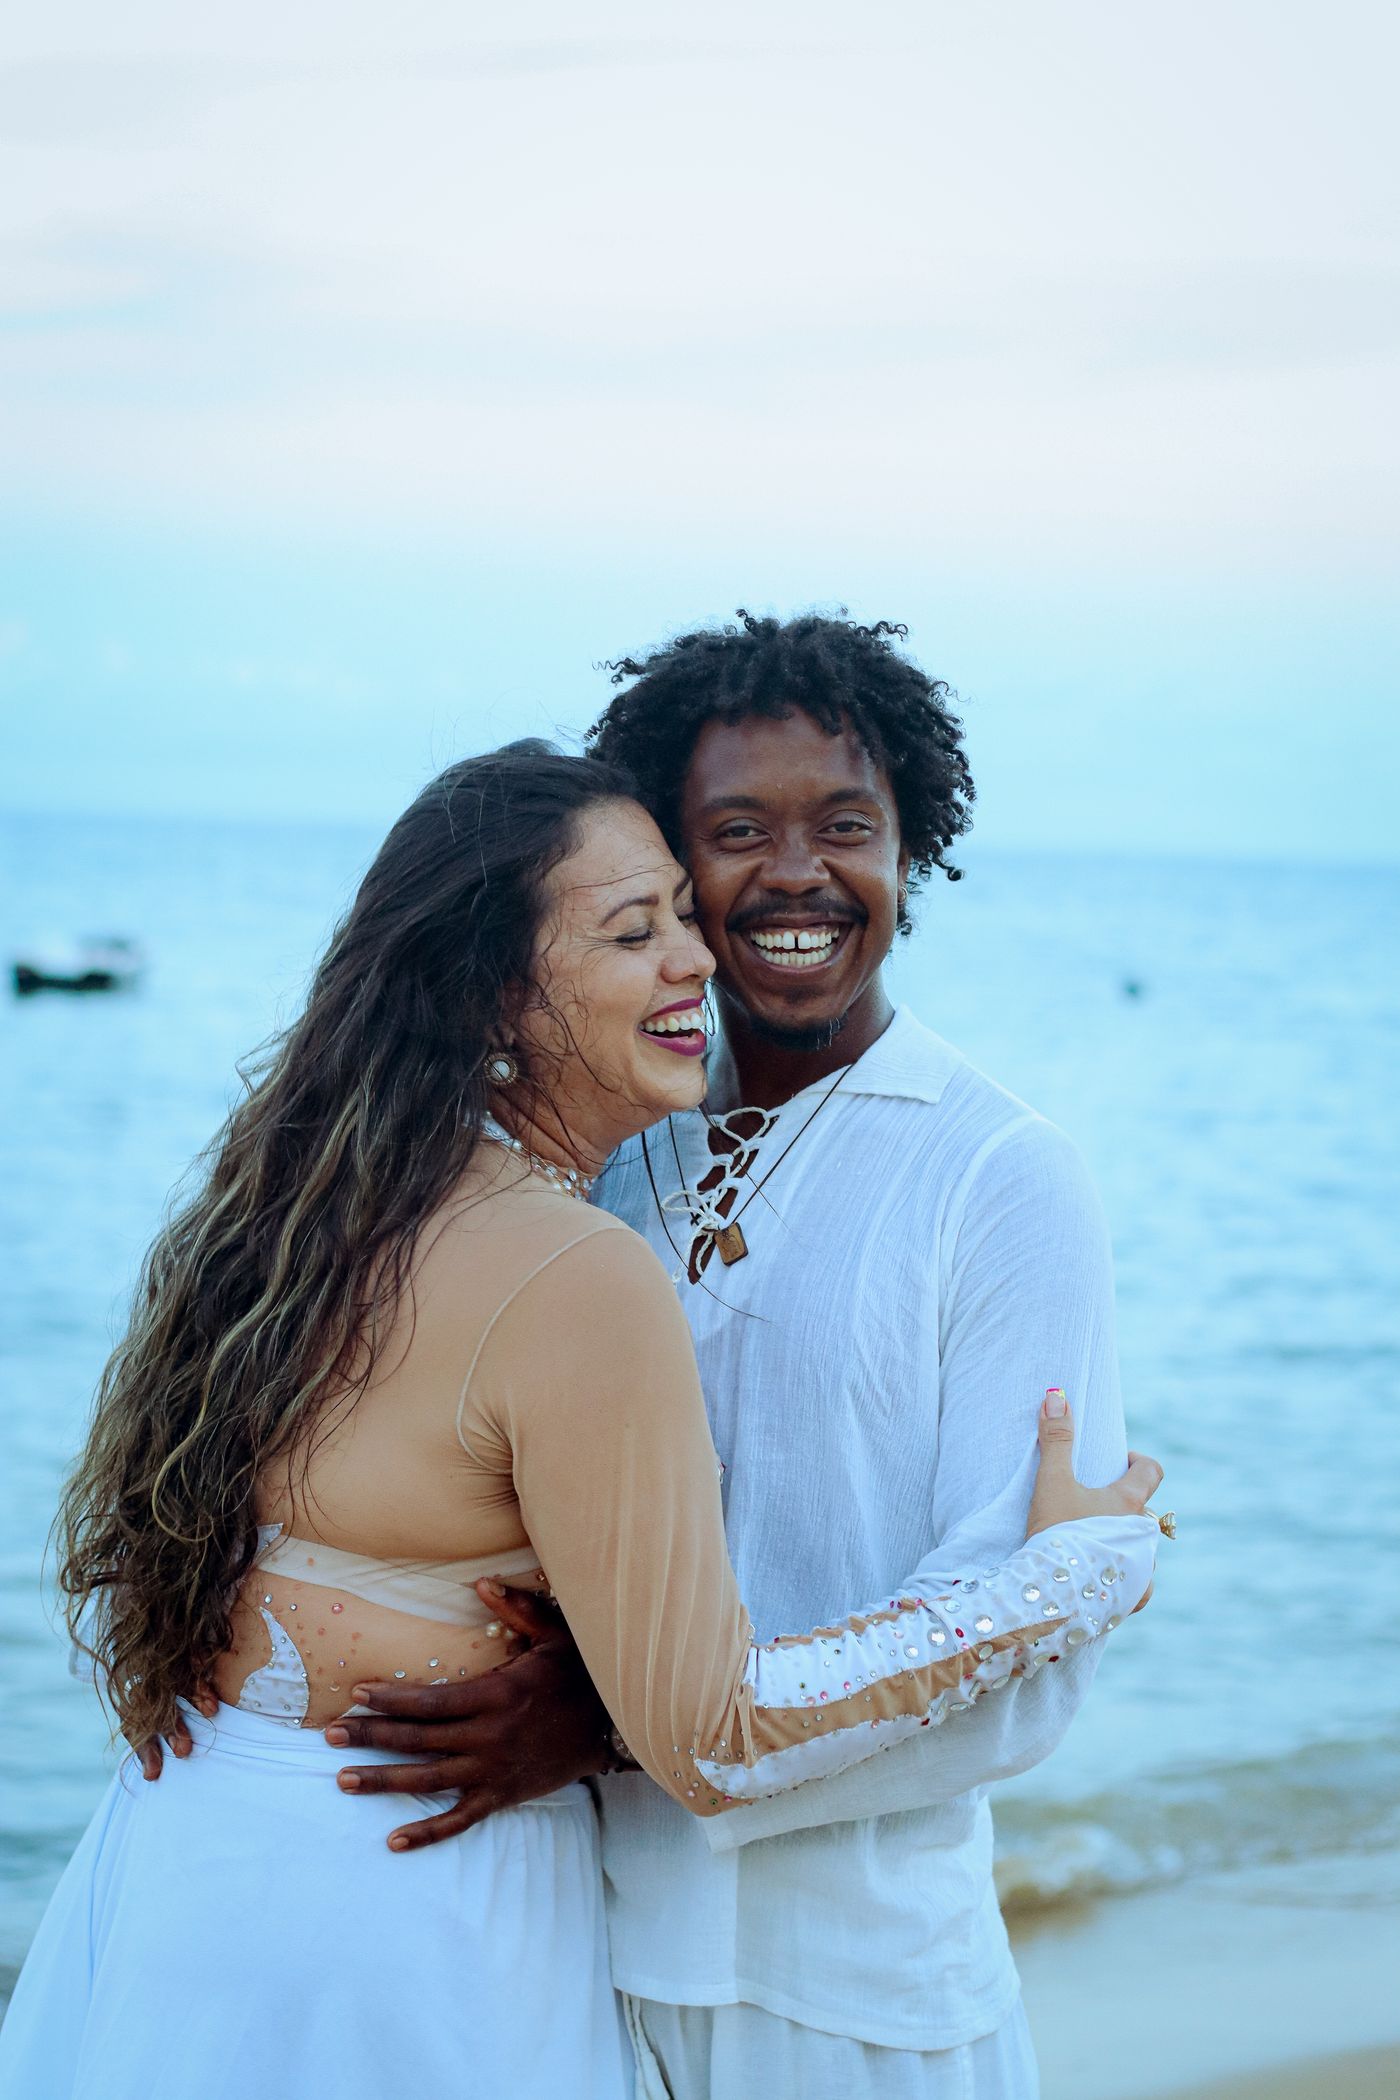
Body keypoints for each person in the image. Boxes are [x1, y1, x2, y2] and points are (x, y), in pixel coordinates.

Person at [0, 738, 1159, 2100]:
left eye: (679, 914)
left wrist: (592, 1708)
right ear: (499, 992)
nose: (697, 958)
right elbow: (713, 1735)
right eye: (633, 930)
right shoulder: (580, 1265)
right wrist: (1068, 1575)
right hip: (411, 1924)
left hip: (183, 1873)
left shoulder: (308, 1213)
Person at [331, 615, 1166, 2100]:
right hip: (553, 1940)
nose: (797, 874)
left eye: (847, 826)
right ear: (670, 872)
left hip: (854, 1983)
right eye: (736, 834)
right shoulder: (601, 1141)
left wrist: (618, 1730)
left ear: (911, 848)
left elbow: (1027, 1671)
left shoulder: (1001, 1175)